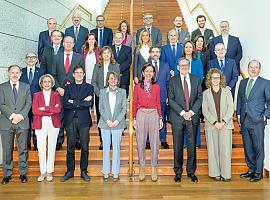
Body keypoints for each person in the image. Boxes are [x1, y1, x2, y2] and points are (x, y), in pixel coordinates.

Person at [168, 58, 202, 183]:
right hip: (178, 118)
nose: (184, 67)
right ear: (177, 67)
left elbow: (200, 97)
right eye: (181, 65)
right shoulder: (172, 81)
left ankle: (191, 171)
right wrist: (183, 113)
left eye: (186, 65)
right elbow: (170, 99)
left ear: (189, 66)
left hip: (192, 117)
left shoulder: (196, 79)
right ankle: (178, 171)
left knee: (192, 146)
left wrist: (191, 112)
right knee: (177, 146)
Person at [237, 60, 270, 182]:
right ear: (248, 68)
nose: (253, 69)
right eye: (251, 67)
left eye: (256, 67)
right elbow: (240, 99)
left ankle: (258, 172)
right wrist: (239, 115)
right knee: (248, 146)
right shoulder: (243, 82)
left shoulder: (265, 83)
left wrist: (264, 116)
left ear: (259, 69)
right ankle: (251, 169)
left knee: (258, 147)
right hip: (245, 120)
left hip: (257, 120)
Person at [61, 65, 94, 182]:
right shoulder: (68, 87)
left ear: (84, 75)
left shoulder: (89, 87)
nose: (79, 74)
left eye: (81, 72)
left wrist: (73, 101)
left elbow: (89, 103)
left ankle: (83, 171)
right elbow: (65, 103)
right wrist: (81, 102)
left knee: (85, 147)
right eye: (77, 72)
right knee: (70, 147)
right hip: (70, 120)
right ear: (73, 74)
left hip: (84, 121)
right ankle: (70, 171)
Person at [0, 65, 32, 185]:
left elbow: (28, 103)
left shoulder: (26, 87)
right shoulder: (2, 87)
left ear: (20, 74)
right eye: (12, 72)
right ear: (8, 73)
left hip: (22, 122)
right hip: (6, 122)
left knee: (23, 149)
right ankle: (7, 174)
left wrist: (20, 116)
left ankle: (22, 173)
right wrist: (13, 115)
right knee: (7, 150)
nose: (14, 74)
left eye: (17, 72)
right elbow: (1, 104)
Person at [52, 36, 84, 150]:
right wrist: (58, 87)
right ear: (63, 43)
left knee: (74, 117)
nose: (69, 44)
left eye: (71, 42)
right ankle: (59, 141)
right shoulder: (56, 57)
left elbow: (81, 74)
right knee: (59, 116)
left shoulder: (79, 57)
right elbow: (53, 75)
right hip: (59, 92)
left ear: (74, 44)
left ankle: (76, 141)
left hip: (74, 92)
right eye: (66, 42)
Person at [202, 68, 234, 181]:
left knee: (225, 151)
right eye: (213, 78)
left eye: (217, 78)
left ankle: (226, 174)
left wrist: (223, 121)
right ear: (210, 79)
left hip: (226, 125)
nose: (215, 80)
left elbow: (231, 108)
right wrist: (215, 122)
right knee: (213, 151)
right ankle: (215, 173)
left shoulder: (227, 92)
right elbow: (205, 110)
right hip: (212, 125)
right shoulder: (205, 93)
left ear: (221, 79)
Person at [133, 63, 163, 182]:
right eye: (147, 71)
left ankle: (154, 167)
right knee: (140, 142)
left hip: (153, 113)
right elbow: (134, 103)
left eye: (151, 71)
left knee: (155, 142)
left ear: (154, 73)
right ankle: (142, 167)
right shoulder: (137, 87)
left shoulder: (157, 87)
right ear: (143, 73)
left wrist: (160, 117)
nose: (149, 73)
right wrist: (134, 118)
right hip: (141, 113)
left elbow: (158, 103)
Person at [32, 74, 61, 182]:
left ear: (52, 83)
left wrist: (44, 108)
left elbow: (58, 110)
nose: (47, 83)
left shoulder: (56, 95)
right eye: (45, 82)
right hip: (40, 123)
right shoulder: (36, 95)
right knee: (41, 148)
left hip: (53, 123)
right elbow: (35, 110)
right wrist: (51, 110)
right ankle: (42, 172)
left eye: (49, 81)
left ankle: (49, 172)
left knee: (52, 147)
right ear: (41, 83)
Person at [98, 72, 126, 182]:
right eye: (111, 78)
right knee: (106, 147)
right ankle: (105, 171)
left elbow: (124, 109)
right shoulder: (102, 92)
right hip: (105, 123)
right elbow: (101, 108)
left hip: (118, 124)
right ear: (107, 80)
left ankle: (115, 172)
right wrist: (108, 120)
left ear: (118, 80)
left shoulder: (123, 92)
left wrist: (117, 121)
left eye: (115, 79)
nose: (113, 80)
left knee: (116, 147)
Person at [92, 46, 120, 150]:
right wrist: (100, 94)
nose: (106, 55)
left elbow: (118, 81)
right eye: (104, 53)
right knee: (101, 118)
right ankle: (103, 141)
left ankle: (112, 140)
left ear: (111, 54)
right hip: (100, 95)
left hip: (112, 95)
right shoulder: (97, 66)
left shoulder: (116, 66)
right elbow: (93, 82)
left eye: (108, 53)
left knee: (112, 117)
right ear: (101, 55)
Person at [20, 52, 45, 150]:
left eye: (33, 57)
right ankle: (26, 144)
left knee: (37, 124)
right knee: (25, 125)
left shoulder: (42, 71)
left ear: (36, 59)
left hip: (37, 103)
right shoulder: (21, 72)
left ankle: (36, 144)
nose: (31, 59)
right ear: (25, 59)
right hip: (24, 103)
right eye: (29, 57)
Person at [149, 47, 170, 149]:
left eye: (157, 52)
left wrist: (168, 96)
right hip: (148, 97)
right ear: (150, 53)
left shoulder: (165, 65)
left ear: (160, 53)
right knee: (149, 119)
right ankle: (148, 141)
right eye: (153, 52)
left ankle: (163, 140)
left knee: (162, 119)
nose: (155, 54)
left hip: (162, 96)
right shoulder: (146, 65)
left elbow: (168, 82)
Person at [111, 31, 132, 97]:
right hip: (112, 77)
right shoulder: (109, 48)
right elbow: (108, 60)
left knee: (123, 98)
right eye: (116, 38)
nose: (118, 39)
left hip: (124, 78)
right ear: (114, 39)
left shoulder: (128, 49)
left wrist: (118, 69)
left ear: (123, 39)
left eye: (120, 38)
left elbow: (129, 61)